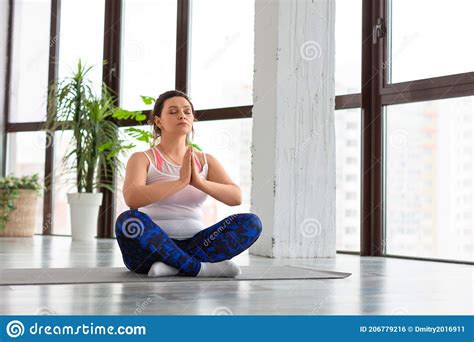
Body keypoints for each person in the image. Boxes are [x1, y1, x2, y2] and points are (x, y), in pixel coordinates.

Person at [115, 90, 262, 277]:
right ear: (158, 121)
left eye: (187, 111)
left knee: (251, 223)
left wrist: (199, 182)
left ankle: (173, 266)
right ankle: (199, 268)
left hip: (198, 244)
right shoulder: (143, 158)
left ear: (192, 119)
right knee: (128, 220)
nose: (182, 115)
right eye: (173, 111)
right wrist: (180, 182)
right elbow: (132, 199)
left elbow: (235, 197)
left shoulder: (204, 160)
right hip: (151, 249)